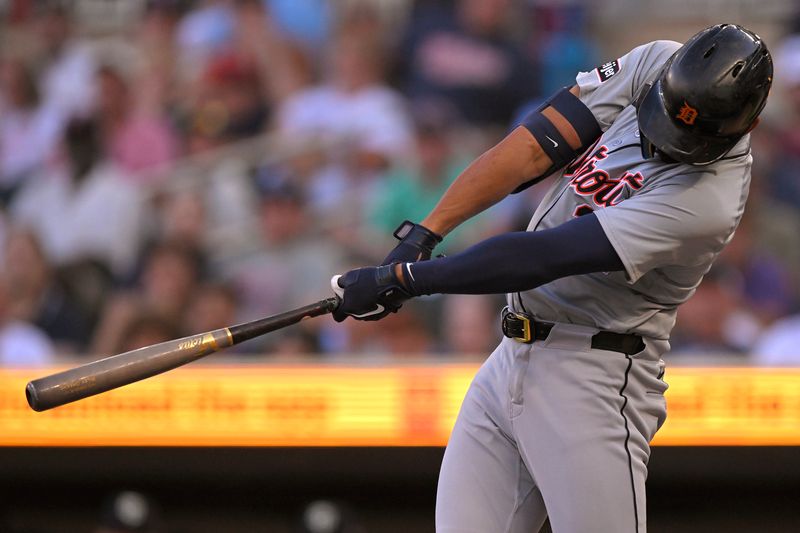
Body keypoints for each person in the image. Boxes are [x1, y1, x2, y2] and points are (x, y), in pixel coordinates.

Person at [331, 24, 773, 532]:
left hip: (593, 377)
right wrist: (423, 235)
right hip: (509, 358)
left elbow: (542, 255)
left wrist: (408, 278)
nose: (665, 137)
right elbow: (534, 148)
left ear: (750, 123)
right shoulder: (656, 62)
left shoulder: (707, 202)